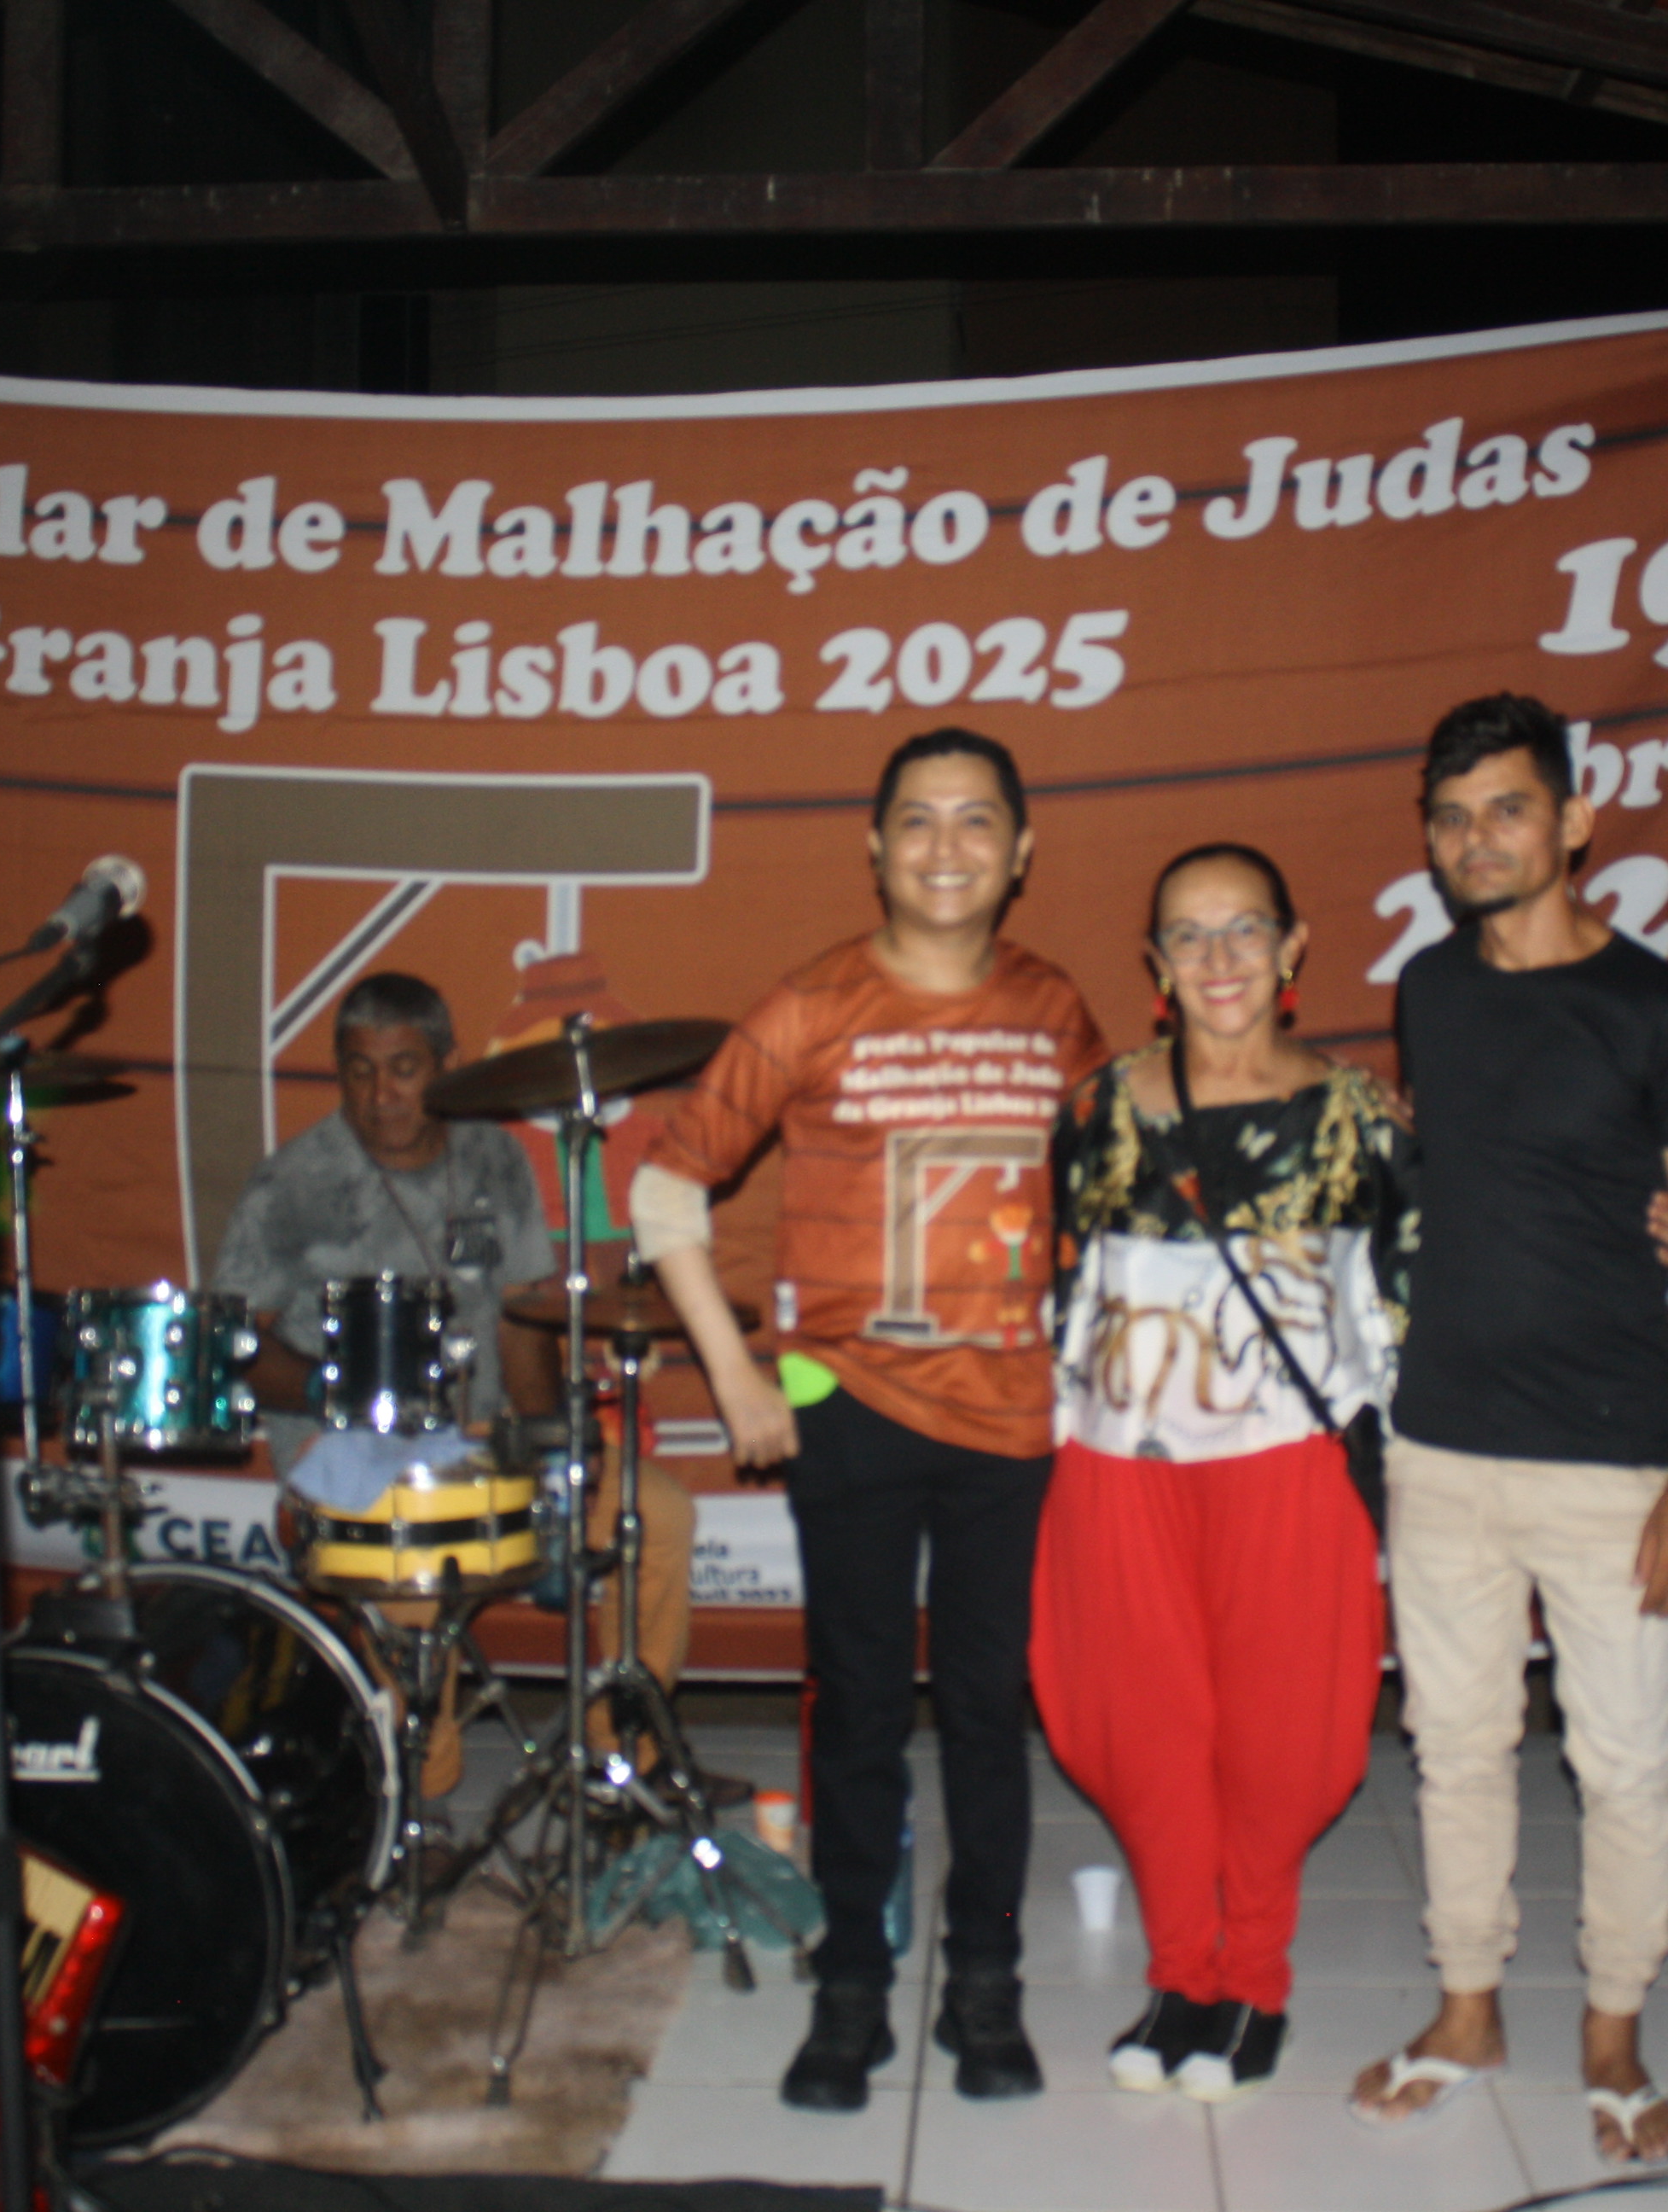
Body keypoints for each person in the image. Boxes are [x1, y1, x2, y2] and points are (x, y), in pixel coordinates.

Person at [631, 729, 1107, 2112]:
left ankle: (984, 1982)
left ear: (1020, 851)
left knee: (986, 1712)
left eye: (976, 821)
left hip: (1010, 1420)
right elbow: (665, 1189)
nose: (946, 847)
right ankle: (849, 1984)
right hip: (845, 1414)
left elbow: (1107, 1185)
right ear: (875, 846)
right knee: (855, 1711)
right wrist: (735, 1378)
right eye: (917, 820)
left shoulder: (1054, 1008)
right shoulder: (811, 1003)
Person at [1347, 695, 1668, 2168]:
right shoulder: (1427, 990)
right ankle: (1468, 2012)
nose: (1477, 841)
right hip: (1442, 1442)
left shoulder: (1661, 1009)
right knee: (1453, 1748)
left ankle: (1612, 2032)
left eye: (1507, 809)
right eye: (1451, 818)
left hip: (1614, 1454)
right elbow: (1468, 1173)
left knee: (1626, 1763)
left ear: (1574, 821)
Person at [1033, 843, 1414, 2101]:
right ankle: (1178, 1976)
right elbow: (1061, 1285)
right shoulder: (1094, 1112)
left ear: (1293, 947)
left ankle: (1253, 1979)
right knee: (1136, 1728)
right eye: (1189, 936)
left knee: (1282, 1738)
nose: (1219, 958)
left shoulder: (1359, 1118)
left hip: (1285, 1465)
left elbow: (1408, 1299)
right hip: (1120, 1468)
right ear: (1155, 966)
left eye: (1245, 928)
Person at [208, 969, 717, 1807]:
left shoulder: (494, 1158)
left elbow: (521, 1322)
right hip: (351, 1457)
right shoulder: (292, 1183)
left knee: (655, 1514)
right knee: (419, 1574)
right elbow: (236, 1343)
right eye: (358, 1071)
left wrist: (557, 1447)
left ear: (446, 1065)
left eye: (403, 1069)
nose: (380, 1095)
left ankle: (622, 1755)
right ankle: (415, 1800)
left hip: (481, 1445)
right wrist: (347, 1387)